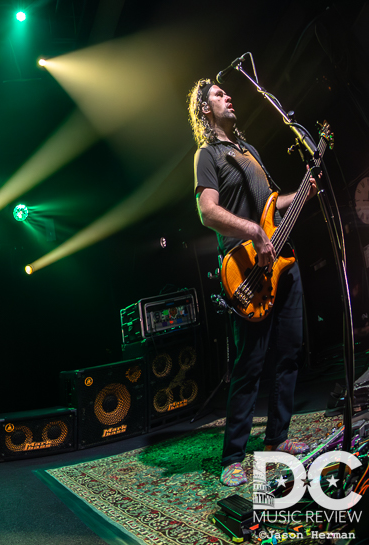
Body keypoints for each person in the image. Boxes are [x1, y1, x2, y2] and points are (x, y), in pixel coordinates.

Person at [187, 79, 314, 487]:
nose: (228, 97)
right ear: (205, 110)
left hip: (282, 261)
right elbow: (208, 211)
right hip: (246, 268)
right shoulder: (208, 155)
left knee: (290, 353)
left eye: (228, 92)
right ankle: (233, 457)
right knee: (250, 364)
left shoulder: (250, 151)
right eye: (219, 95)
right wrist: (252, 233)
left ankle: (277, 438)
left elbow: (272, 204)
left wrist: (303, 192)